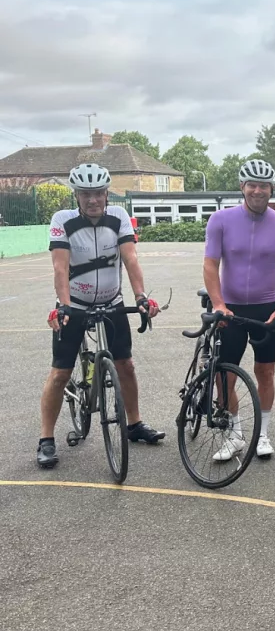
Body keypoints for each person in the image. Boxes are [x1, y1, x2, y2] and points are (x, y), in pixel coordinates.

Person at [36, 163, 163, 469]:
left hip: (112, 302)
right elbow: (60, 267)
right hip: (75, 304)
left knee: (126, 365)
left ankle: (133, 425)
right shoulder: (62, 220)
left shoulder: (117, 216)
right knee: (60, 373)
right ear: (76, 196)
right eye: (85, 194)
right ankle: (46, 439)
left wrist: (141, 297)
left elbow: (130, 259)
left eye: (98, 193)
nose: (92, 199)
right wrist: (64, 306)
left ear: (107, 194)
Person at [203, 158, 275, 460]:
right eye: (252, 185)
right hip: (230, 309)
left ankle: (263, 435)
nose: (258, 191)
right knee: (225, 376)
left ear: (272, 189)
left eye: (264, 186)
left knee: (266, 372)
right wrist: (218, 303)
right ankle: (235, 434)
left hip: (266, 310)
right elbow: (210, 264)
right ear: (242, 187)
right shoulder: (220, 220)